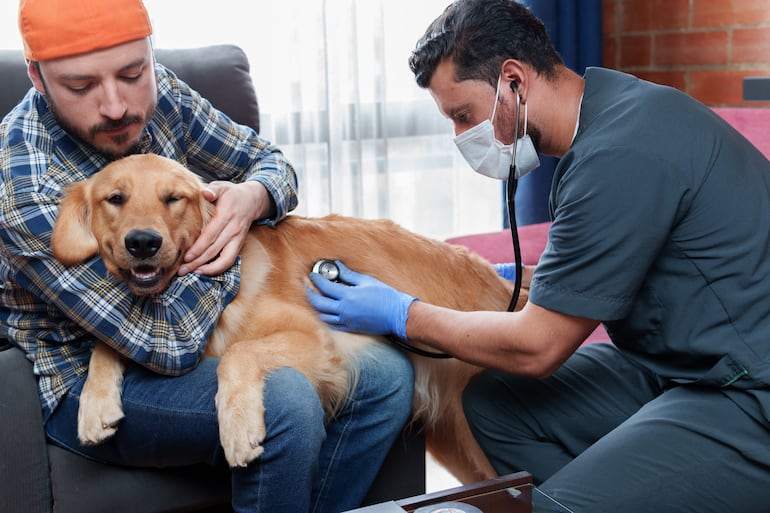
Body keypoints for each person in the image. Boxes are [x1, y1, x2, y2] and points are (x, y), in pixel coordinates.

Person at [307, 0, 770, 511]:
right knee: (493, 403)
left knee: (554, 504)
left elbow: (537, 347)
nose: (461, 137)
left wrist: (402, 313)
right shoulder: (612, 112)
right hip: (671, 363)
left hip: (747, 392)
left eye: (463, 116)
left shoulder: (617, 155)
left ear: (513, 81)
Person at [0, 0, 413, 511]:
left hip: (192, 325)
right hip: (83, 370)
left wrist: (251, 199)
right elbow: (164, 339)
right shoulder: (24, 186)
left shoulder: (160, 95)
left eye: (133, 72)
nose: (115, 105)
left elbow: (270, 164)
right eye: (82, 87)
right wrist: (223, 237)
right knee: (283, 400)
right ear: (37, 79)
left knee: (387, 378)